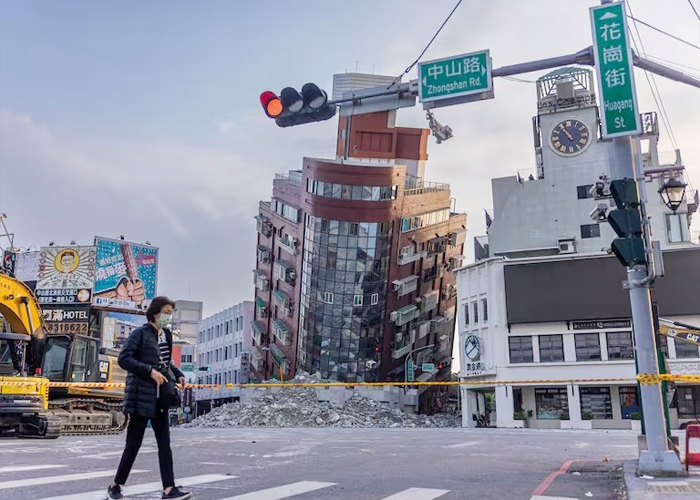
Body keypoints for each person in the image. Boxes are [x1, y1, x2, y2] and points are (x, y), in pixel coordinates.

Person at [107, 296, 191, 500]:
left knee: (165, 443)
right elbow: (124, 359)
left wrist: (178, 374)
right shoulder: (140, 334)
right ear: (155, 313)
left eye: (171, 314)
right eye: (166, 313)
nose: (168, 318)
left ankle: (169, 489)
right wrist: (149, 371)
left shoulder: (167, 335)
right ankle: (115, 486)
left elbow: (165, 362)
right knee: (133, 444)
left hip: (160, 398)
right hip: (141, 397)